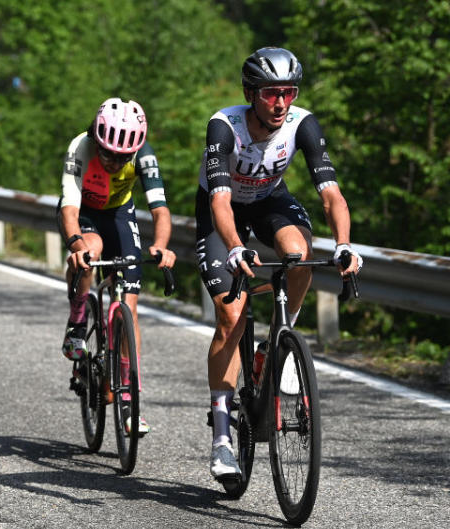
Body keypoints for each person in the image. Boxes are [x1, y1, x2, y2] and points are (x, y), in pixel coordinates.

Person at [195, 47, 363, 481]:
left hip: (270, 200)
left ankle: (279, 345)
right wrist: (234, 246)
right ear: (251, 93)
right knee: (231, 316)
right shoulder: (223, 126)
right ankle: (221, 439)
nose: (280, 102)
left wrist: (344, 244)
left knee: (299, 255)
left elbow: (331, 195)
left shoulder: (302, 124)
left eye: (288, 92)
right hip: (224, 210)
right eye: (271, 94)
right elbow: (218, 200)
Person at [59, 97, 177, 435]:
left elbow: (160, 210)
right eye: (107, 153)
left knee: (130, 307)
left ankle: (129, 399)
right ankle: (78, 320)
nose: (112, 162)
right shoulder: (80, 147)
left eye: (122, 157)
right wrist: (75, 245)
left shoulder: (145, 155)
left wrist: (161, 245)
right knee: (91, 251)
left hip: (120, 215)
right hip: (83, 211)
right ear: (97, 140)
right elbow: (68, 207)